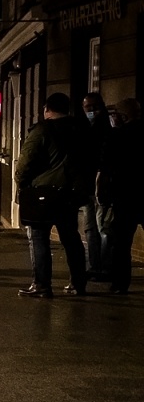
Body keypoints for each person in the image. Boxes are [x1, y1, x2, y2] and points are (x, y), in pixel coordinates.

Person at [14, 92, 91, 297]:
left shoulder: (42, 130)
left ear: (47, 109)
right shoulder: (81, 130)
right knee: (71, 238)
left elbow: (26, 162)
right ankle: (78, 283)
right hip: (70, 193)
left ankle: (42, 285)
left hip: (44, 193)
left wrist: (21, 183)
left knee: (39, 237)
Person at [98, 97, 141, 295]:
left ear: (123, 116)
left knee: (122, 242)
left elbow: (106, 168)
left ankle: (120, 283)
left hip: (125, 195)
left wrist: (103, 193)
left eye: (115, 115)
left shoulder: (117, 136)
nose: (113, 118)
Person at [80, 92, 112, 281]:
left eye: (94, 106)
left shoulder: (106, 127)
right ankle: (95, 266)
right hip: (88, 186)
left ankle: (104, 267)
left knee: (102, 228)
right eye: (88, 107)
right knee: (91, 228)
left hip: (102, 186)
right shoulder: (88, 127)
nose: (91, 110)